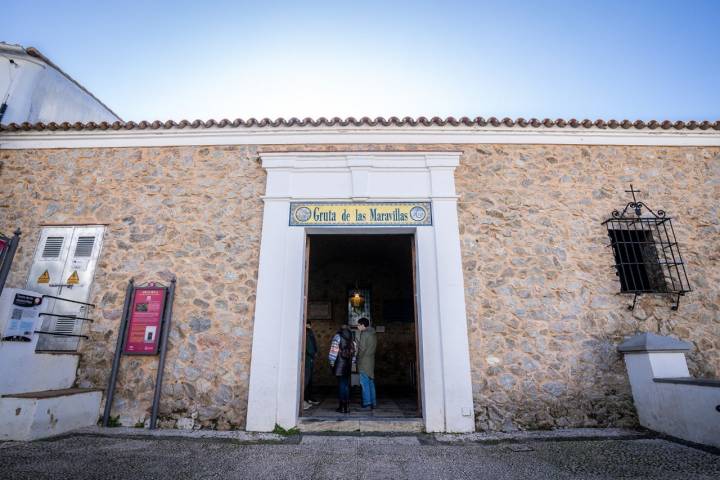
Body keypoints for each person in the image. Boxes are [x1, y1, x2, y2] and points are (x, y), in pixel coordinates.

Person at [328, 325, 355, 414]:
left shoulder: (337, 336)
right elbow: (354, 352)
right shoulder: (352, 338)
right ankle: (346, 407)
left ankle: (341, 407)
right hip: (348, 365)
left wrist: (332, 362)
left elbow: (333, 351)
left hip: (339, 364)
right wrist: (353, 363)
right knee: (346, 385)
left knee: (341, 385)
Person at [356, 317, 377, 409]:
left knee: (364, 383)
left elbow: (362, 349)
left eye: (358, 325)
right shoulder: (373, 333)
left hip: (364, 361)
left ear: (362, 325)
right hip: (371, 360)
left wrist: (357, 358)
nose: (357, 327)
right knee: (370, 382)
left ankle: (367, 403)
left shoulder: (364, 334)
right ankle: (373, 402)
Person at [303, 320, 319, 410]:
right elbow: (310, 348)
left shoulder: (308, 332)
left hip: (308, 359)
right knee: (306, 379)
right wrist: (313, 354)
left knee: (309, 380)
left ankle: (307, 398)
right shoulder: (307, 333)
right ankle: (304, 400)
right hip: (307, 359)